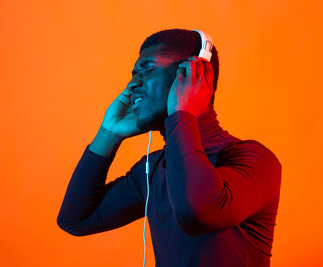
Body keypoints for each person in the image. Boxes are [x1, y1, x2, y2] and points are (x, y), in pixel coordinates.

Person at [57, 29, 282, 267]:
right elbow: (76, 220)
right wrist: (109, 133)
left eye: (146, 70)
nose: (132, 84)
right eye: (133, 75)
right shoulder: (154, 169)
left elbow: (196, 213)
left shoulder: (254, 160)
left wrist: (182, 113)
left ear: (193, 73)